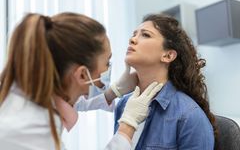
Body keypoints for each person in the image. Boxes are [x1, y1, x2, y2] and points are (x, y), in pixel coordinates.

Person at [0, 12, 163, 150]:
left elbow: (72, 100)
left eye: (146, 35)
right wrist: (127, 126)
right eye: (107, 62)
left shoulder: (36, 89)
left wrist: (113, 92)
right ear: (82, 75)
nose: (132, 40)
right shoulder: (29, 130)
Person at [114, 14, 218, 150]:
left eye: (145, 35)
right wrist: (114, 91)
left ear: (168, 55)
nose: (132, 39)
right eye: (134, 34)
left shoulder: (189, 116)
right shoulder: (123, 104)